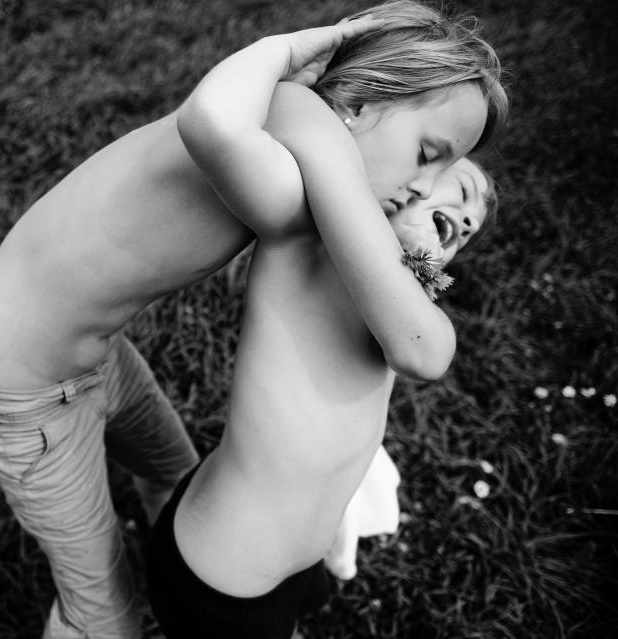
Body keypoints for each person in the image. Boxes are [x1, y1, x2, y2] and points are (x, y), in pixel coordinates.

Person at [0, 1, 505, 636]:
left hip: (95, 353)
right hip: (18, 386)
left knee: (169, 467)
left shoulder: (289, 130)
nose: (424, 184)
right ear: (359, 105)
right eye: (427, 154)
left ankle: (185, 586)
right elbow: (207, 118)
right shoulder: (294, 135)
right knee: (100, 607)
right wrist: (297, 45)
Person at [145, 49, 502, 635]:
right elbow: (425, 353)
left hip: (292, 561)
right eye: (451, 180)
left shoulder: (387, 289)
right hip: (222, 577)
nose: (464, 220)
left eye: (469, 230)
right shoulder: (306, 229)